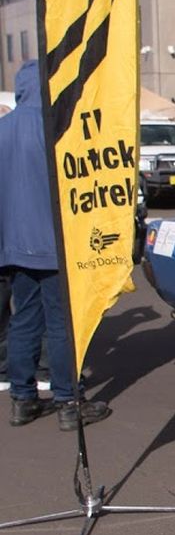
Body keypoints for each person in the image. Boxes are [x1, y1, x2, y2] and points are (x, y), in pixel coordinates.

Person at [0, 60, 110, 430]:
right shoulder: (60, 130)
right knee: (62, 324)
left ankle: (22, 398)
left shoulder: (2, 130)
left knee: (23, 321)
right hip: (57, 246)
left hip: (14, 244)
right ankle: (68, 401)